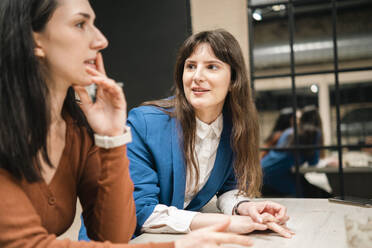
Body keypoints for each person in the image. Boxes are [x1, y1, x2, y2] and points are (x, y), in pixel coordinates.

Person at [0, 1, 256, 248]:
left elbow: (114, 234)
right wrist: (178, 244)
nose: (101, 40)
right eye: (80, 24)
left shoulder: (75, 129)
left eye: (212, 67)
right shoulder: (146, 121)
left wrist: (112, 138)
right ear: (35, 40)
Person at [122, 30, 292, 237]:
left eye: (212, 67)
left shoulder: (234, 126)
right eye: (191, 66)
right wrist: (225, 223)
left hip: (182, 239)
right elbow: (140, 210)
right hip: (123, 239)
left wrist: (245, 208)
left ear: (233, 80)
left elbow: (230, 185)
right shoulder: (144, 123)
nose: (197, 76)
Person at [261, 106, 331, 197]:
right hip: (278, 174)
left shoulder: (288, 132)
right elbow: (313, 162)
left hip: (263, 169)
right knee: (306, 192)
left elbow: (281, 153)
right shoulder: (315, 133)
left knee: (305, 186)